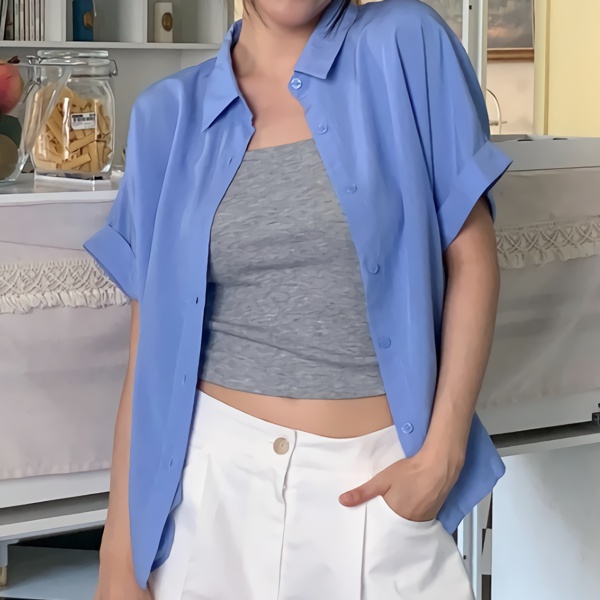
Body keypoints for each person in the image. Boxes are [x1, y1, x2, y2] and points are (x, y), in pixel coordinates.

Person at [87, 0, 512, 598]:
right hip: (209, 495)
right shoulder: (166, 114)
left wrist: (441, 457)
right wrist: (117, 556)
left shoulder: (405, 45)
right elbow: (148, 360)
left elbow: (471, 259)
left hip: (376, 491)